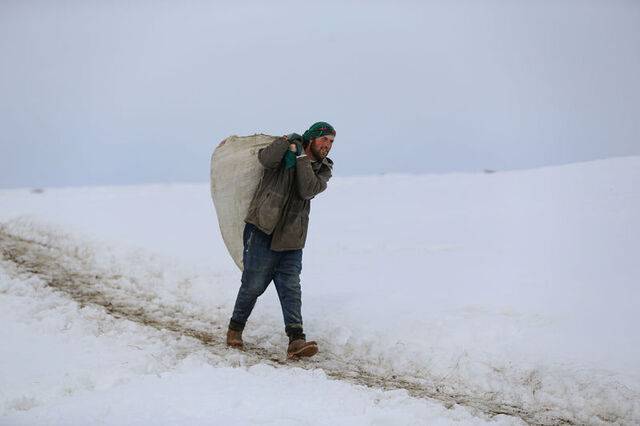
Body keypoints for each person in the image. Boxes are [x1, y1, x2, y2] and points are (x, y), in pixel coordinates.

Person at [226, 122, 336, 358]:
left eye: (331, 142)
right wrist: (284, 142)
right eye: (324, 139)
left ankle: (296, 340)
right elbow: (265, 160)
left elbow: (307, 189)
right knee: (253, 284)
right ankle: (235, 329)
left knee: (291, 288)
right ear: (311, 137)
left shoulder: (323, 169)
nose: (327, 146)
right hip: (262, 228)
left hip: (292, 237)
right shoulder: (284, 152)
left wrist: (302, 157)